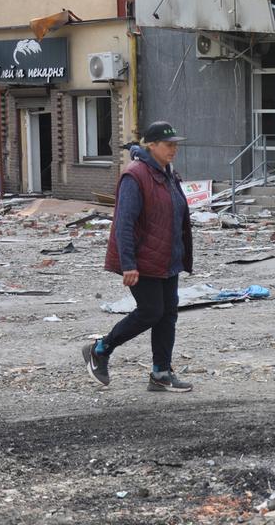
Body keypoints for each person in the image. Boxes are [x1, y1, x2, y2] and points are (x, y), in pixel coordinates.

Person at [82, 121, 194, 392]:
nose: (174, 149)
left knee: (167, 315)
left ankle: (161, 374)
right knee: (151, 311)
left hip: (168, 260)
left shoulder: (168, 173)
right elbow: (124, 223)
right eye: (169, 144)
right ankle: (100, 349)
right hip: (143, 261)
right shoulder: (135, 176)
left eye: (176, 144)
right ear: (151, 145)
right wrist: (128, 263)